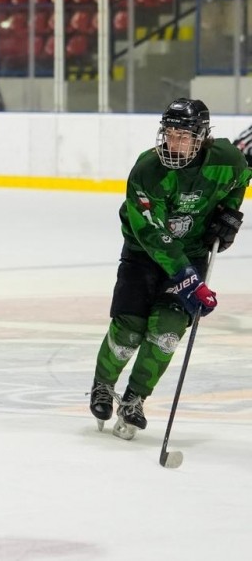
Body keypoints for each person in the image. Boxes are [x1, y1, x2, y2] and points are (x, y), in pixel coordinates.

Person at [89, 98, 250, 440]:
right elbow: (152, 232)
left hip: (191, 253)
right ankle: (102, 385)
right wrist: (189, 280)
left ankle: (135, 398)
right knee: (129, 330)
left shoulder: (228, 160)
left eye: (183, 136)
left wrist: (229, 214)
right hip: (143, 254)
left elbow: (240, 180)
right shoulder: (148, 169)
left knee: (167, 332)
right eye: (170, 134)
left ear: (201, 137)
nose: (174, 143)